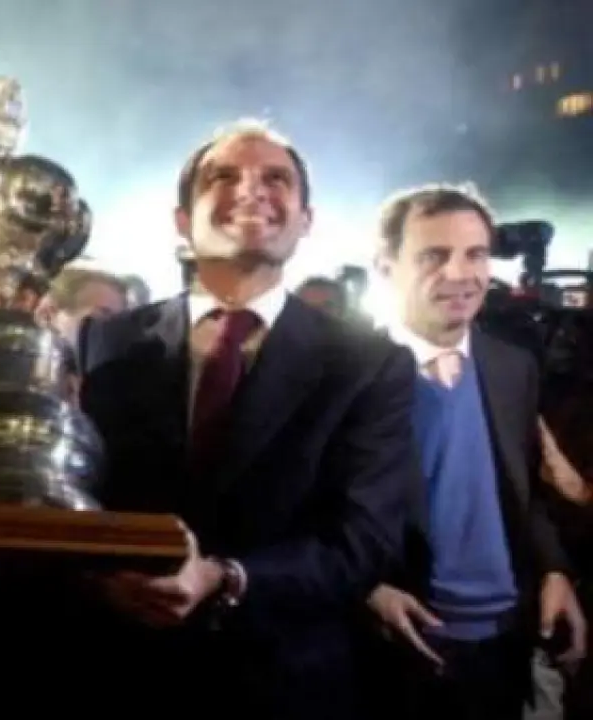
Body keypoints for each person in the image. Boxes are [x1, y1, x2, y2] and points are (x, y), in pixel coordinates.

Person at [67, 120, 415, 719]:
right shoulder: (106, 341)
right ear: (183, 220)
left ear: (305, 221)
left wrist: (224, 578)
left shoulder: (367, 362)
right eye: (222, 177)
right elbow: (80, 490)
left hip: (285, 678)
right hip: (126, 670)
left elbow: (364, 539)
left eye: (276, 179)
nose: (251, 190)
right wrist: (101, 579)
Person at [364, 184, 585, 720]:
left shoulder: (513, 366)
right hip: (399, 643)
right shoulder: (347, 372)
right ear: (386, 267)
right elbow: (308, 507)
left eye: (476, 254)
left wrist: (554, 570)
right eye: (434, 256)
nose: (460, 274)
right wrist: (367, 589)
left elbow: (526, 488)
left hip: (508, 640)